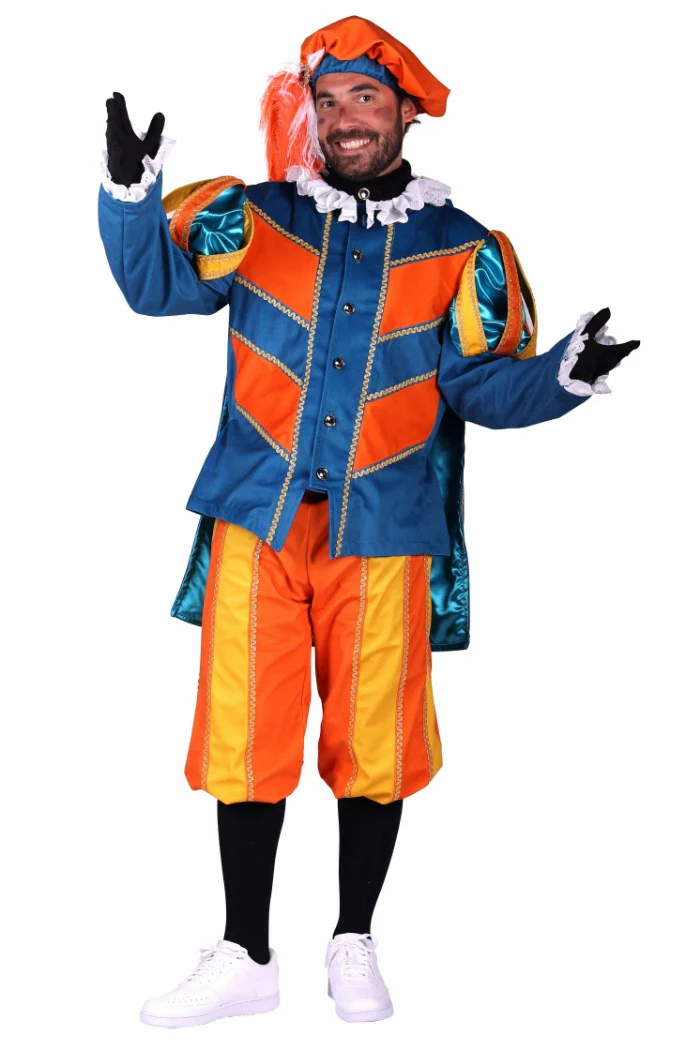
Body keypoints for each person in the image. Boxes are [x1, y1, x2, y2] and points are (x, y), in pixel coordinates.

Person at [98, 14, 639, 1027]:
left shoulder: (462, 248)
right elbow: (153, 287)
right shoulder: (254, 217)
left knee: (375, 737)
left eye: (366, 99)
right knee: (244, 733)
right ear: (308, 112)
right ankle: (246, 953)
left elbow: (480, 388)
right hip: (256, 521)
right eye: (329, 100)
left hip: (385, 529)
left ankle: (354, 938)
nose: (345, 118)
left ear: (401, 115)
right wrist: (129, 195)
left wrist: (563, 375)